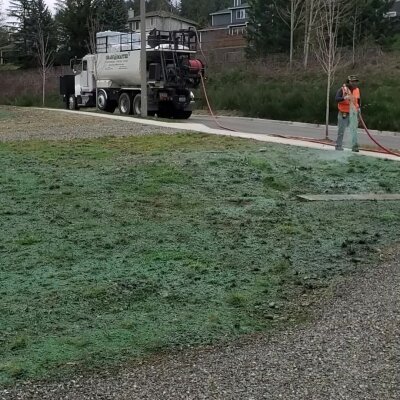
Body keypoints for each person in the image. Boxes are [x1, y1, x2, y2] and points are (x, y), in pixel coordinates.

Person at [335, 75, 361, 152]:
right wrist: (344, 98)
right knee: (341, 130)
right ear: (349, 82)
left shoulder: (357, 90)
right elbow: (336, 99)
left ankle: (354, 146)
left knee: (354, 130)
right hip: (343, 113)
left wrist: (359, 108)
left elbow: (358, 100)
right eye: (352, 82)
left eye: (355, 82)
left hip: (353, 113)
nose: (354, 83)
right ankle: (338, 146)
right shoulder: (342, 90)